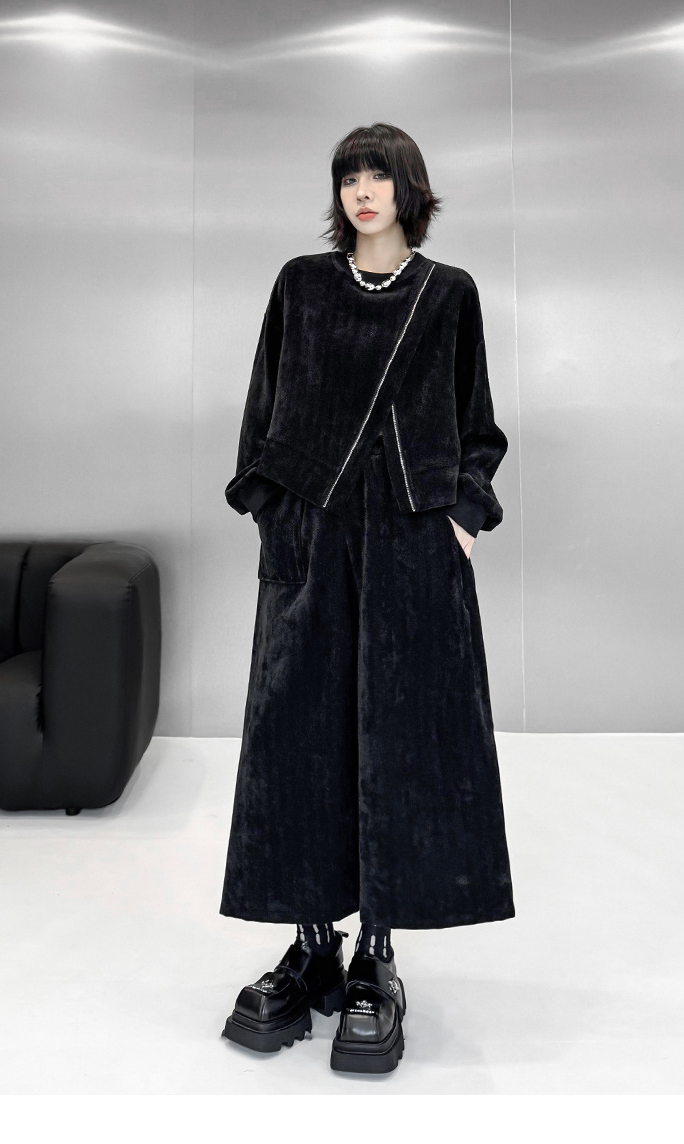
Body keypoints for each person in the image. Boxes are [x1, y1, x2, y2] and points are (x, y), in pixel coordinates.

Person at [219, 122, 515, 1074]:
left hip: (411, 545)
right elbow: (263, 406)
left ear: (409, 189)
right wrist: (273, 512)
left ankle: (376, 957)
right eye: (349, 174)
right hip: (311, 537)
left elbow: (476, 423)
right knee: (297, 735)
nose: (362, 189)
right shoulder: (302, 285)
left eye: (379, 174)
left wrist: (460, 517)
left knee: (405, 740)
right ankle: (314, 944)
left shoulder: (448, 293)